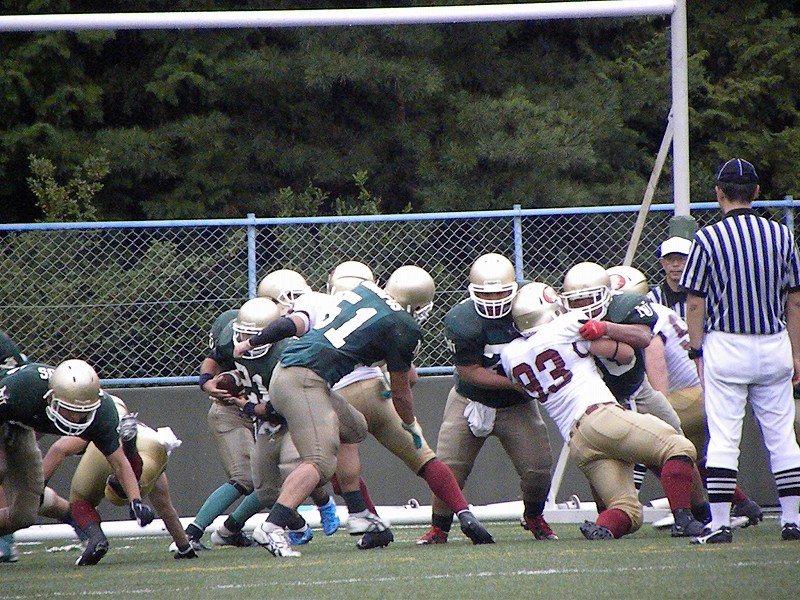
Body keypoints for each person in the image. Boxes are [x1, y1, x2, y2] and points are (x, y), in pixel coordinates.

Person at [234, 266, 491, 557]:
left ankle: (359, 513)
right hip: (305, 380)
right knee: (319, 461)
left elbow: (289, 325)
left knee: (354, 427)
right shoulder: (403, 325)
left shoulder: (362, 293)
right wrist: (409, 423)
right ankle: (273, 526)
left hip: (304, 377)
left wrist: (251, 342)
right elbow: (402, 388)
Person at [500, 282, 706, 540]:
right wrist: (603, 333)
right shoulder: (567, 325)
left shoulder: (510, 355)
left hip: (577, 442)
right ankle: (685, 520)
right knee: (679, 446)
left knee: (628, 510)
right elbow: (624, 354)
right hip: (600, 416)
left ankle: (603, 527)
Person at [326, 261, 495, 545]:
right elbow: (410, 379)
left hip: (339, 398)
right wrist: (409, 422)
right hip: (377, 392)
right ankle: (464, 513)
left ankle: (373, 525)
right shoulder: (391, 319)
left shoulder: (318, 308)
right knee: (425, 459)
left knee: (340, 471)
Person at [680, 158, 800, 544]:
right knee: (782, 437)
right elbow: (795, 300)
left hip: (726, 344)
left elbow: (694, 302)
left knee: (724, 438)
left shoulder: (707, 239)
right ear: (756, 192)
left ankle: (719, 524)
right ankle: (792, 520)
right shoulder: (781, 235)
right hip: (773, 341)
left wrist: (696, 351)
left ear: (719, 192)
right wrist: (796, 353)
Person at [608, 265, 764, 527]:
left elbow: (658, 377)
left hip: (689, 397)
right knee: (691, 458)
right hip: (702, 396)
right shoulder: (658, 311)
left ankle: (681, 512)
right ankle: (741, 503)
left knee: (650, 441)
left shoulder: (644, 321)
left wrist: (654, 413)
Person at [418, 253, 555, 545]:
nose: (493, 300)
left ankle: (534, 516)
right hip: (469, 399)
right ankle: (439, 527)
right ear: (472, 291)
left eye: (500, 293)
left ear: (515, 289)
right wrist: (518, 384)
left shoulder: (532, 302)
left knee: (538, 469)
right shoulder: (462, 319)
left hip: (516, 406)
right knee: (449, 467)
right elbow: (468, 371)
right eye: (485, 294)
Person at [206, 297, 339, 547]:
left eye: (252, 335)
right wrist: (206, 382)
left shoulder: (287, 350)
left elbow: (280, 402)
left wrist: (246, 406)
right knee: (265, 491)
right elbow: (213, 358)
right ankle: (297, 525)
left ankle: (324, 503)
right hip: (263, 419)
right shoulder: (230, 339)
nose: (245, 340)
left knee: (294, 467)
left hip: (290, 413)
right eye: (242, 333)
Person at [0, 359, 155, 565]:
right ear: (51, 396)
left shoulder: (102, 413)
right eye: (69, 409)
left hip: (22, 428)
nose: (75, 417)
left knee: (24, 515)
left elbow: (120, 462)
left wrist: (136, 502)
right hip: (7, 417)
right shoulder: (24, 388)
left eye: (82, 412)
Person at [38, 396, 197, 564]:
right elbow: (166, 509)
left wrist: (39, 488)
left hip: (103, 450)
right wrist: (184, 547)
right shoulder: (134, 427)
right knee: (132, 486)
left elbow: (59, 449)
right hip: (151, 444)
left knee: (80, 501)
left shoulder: (96, 423)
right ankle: (130, 458)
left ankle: (96, 538)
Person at [646, 236, 693, 320]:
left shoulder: (704, 296)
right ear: (662, 262)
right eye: (669, 259)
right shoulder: (652, 299)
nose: (675, 264)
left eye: (681, 259)